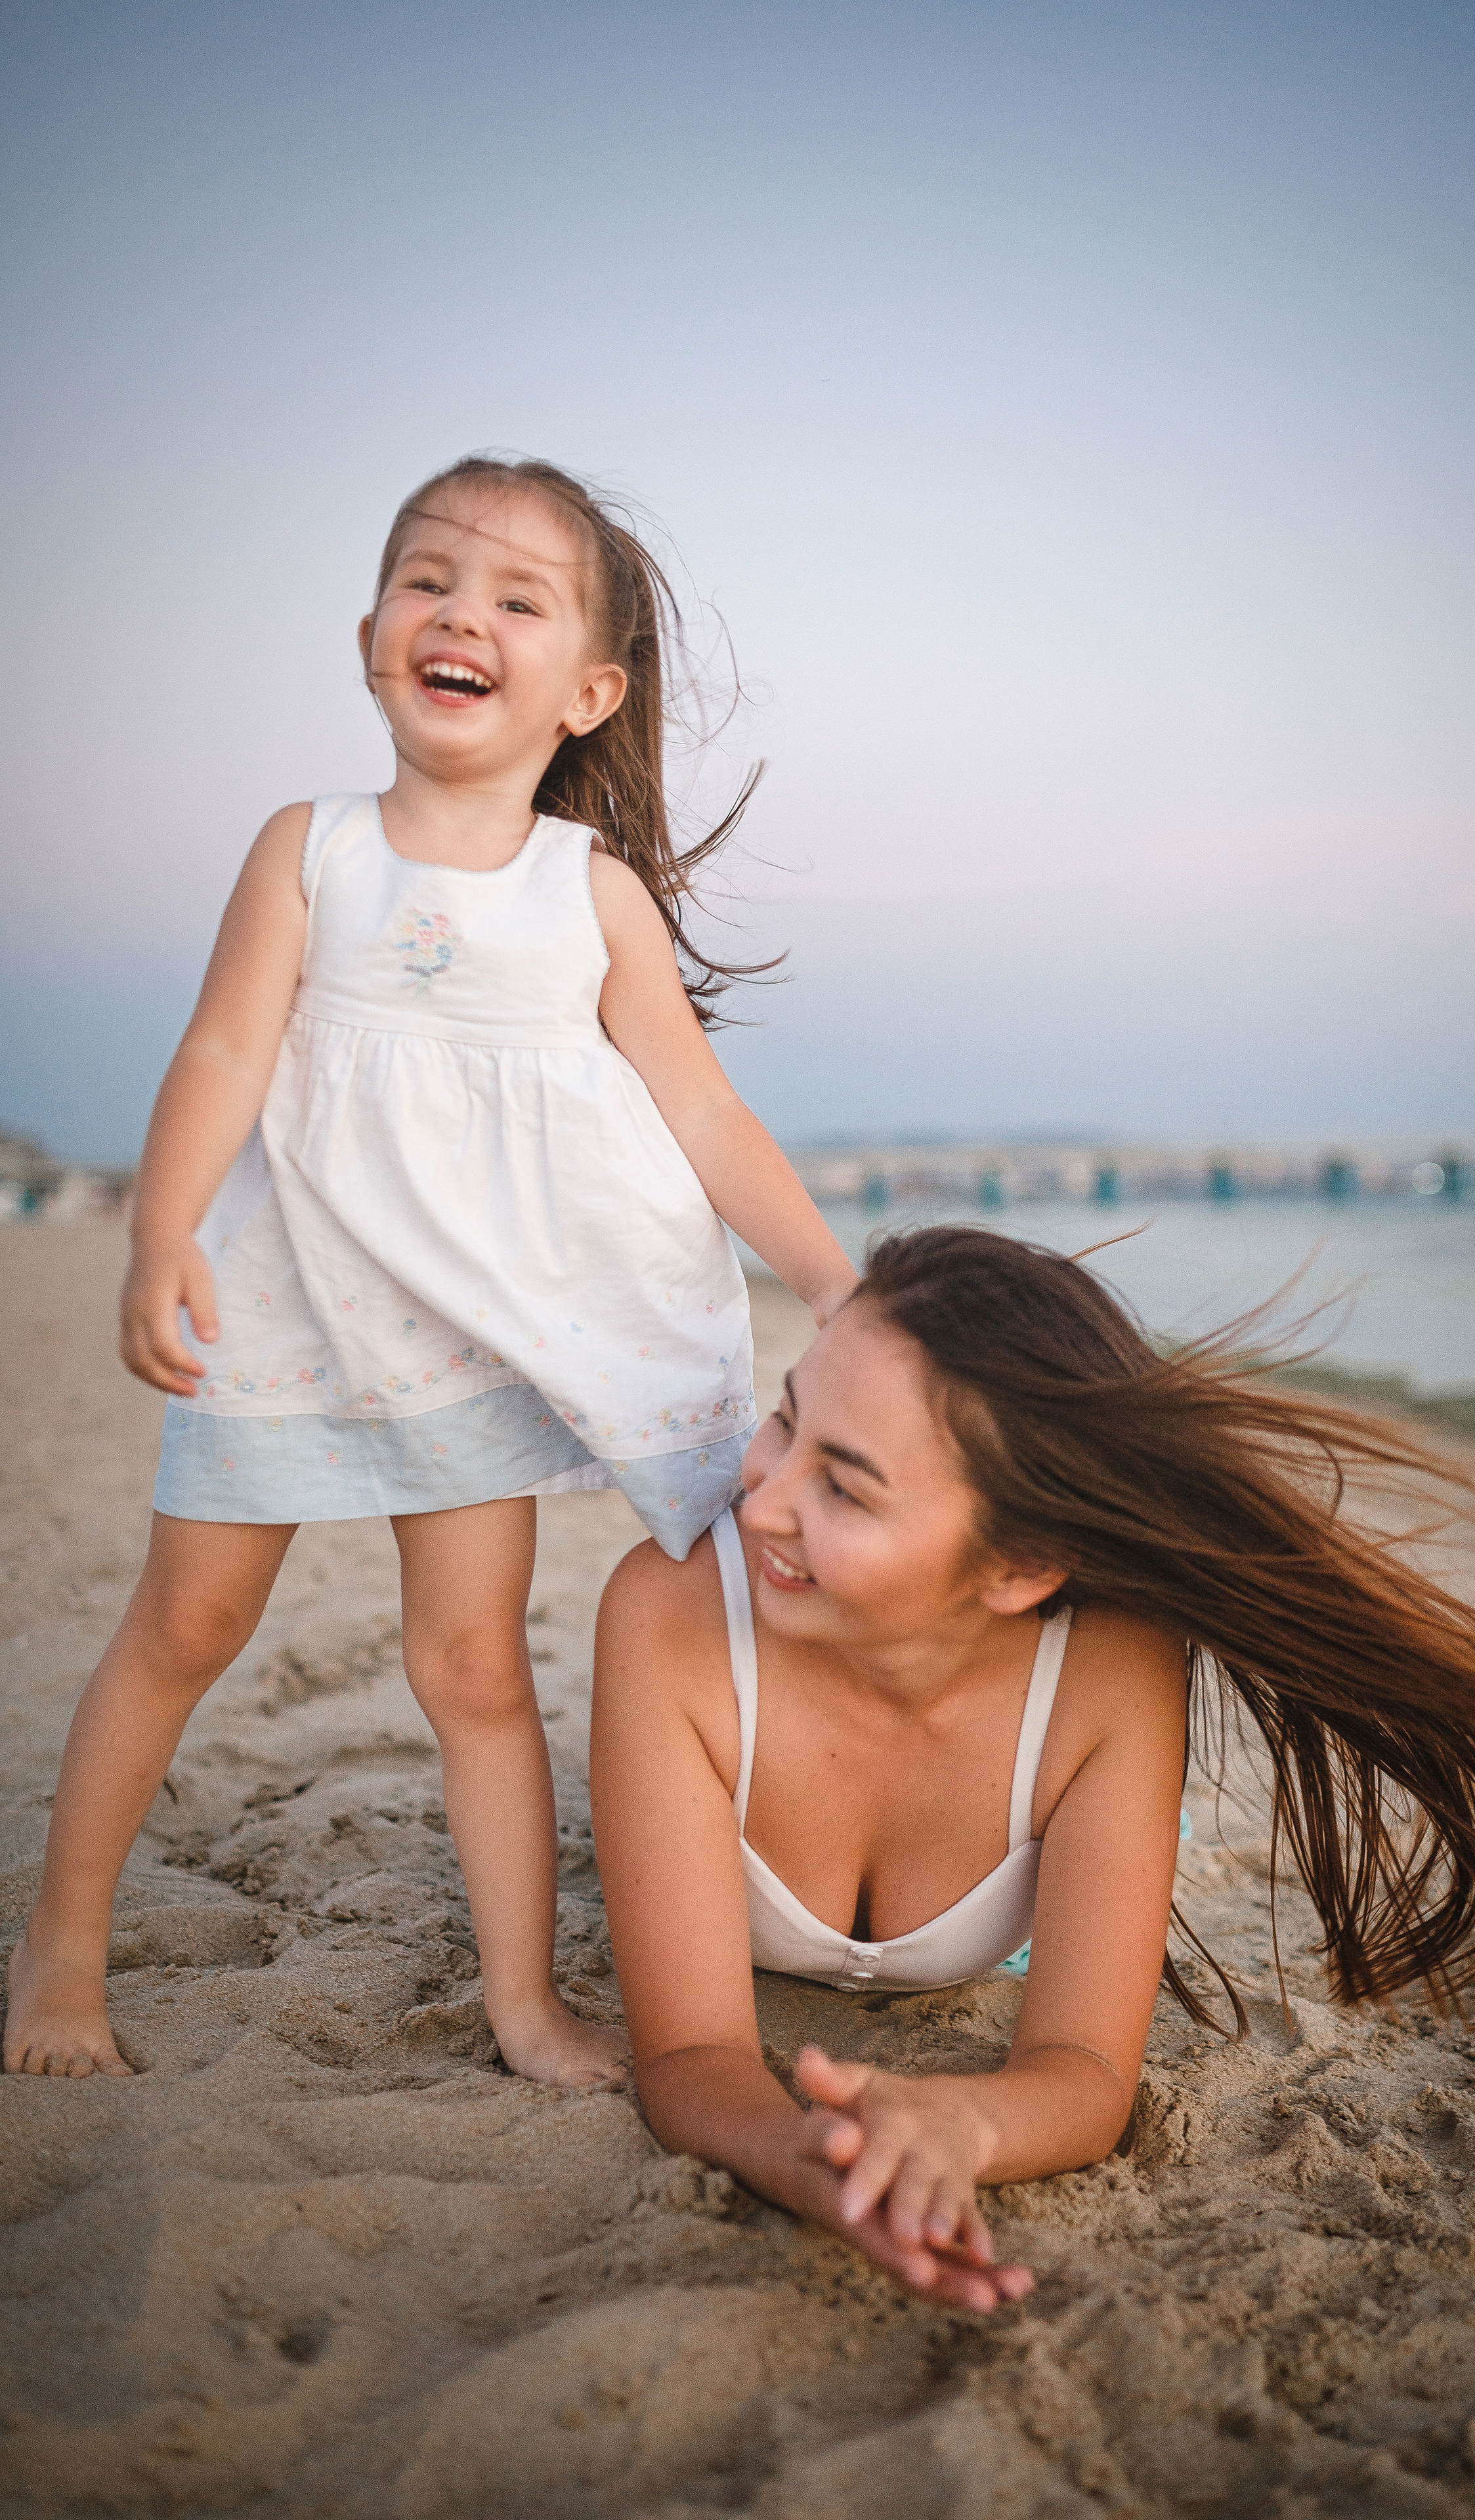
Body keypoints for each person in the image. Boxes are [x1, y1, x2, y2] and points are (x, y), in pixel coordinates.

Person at [5, 456, 855, 2089]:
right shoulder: (310, 850)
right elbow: (223, 1048)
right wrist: (161, 1230)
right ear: (372, 635)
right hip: (282, 1309)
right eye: (428, 579)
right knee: (186, 1626)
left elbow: (700, 1110)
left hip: (472, 1335)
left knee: (470, 1668)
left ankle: (523, 2004)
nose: (461, 613)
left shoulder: (587, 896)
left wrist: (834, 1283)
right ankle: (63, 1941)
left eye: (516, 600)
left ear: (588, 691)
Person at [591, 1227, 1475, 2312]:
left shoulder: (1109, 1673)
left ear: (1018, 1567)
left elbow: (1083, 2068)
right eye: (786, 1416)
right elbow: (689, 2053)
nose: (763, 1497)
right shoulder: (670, 1615)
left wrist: (969, 2123)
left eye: (846, 1488)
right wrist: (800, 2162)